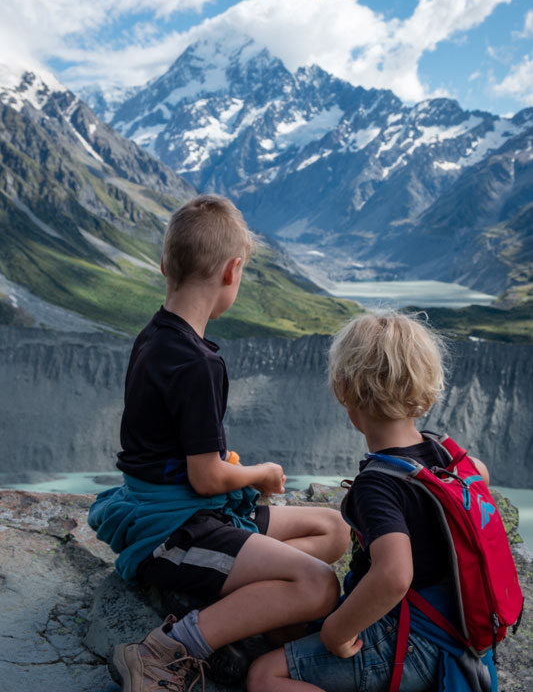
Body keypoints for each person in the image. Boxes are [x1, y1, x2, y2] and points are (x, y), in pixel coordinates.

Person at [88, 194, 349, 692]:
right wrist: (261, 474)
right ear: (233, 271)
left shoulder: (154, 334)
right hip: (174, 531)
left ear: (165, 264)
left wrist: (224, 469)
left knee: (333, 529)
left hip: (183, 510)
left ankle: (246, 610)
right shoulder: (199, 364)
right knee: (319, 584)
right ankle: (161, 650)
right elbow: (205, 477)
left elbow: (180, 454)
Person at [248, 311, 497, 692]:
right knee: (285, 630)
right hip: (459, 631)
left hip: (409, 641)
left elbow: (395, 575)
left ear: (343, 388)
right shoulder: (445, 455)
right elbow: (480, 474)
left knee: (265, 675)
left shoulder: (378, 486)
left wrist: (335, 633)